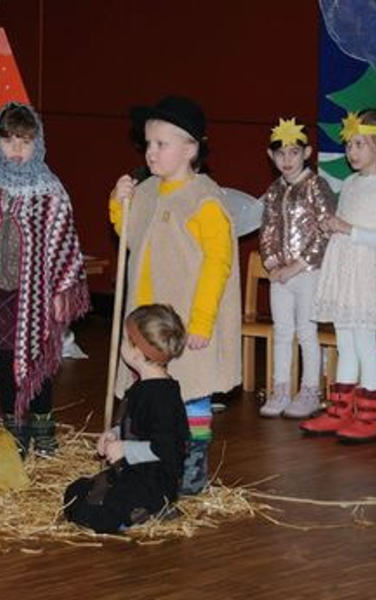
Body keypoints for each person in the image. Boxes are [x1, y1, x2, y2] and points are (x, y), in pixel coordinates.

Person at [109, 96, 240, 493]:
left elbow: (218, 264)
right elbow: (129, 236)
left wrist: (201, 323)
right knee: (152, 390)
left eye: (161, 144)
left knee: (190, 388)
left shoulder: (204, 200)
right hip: (146, 319)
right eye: (147, 144)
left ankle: (192, 461)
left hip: (184, 319)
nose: (151, 153)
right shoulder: (148, 191)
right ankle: (149, 455)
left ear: (190, 149)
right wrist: (120, 204)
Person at [0, 101, 89, 457]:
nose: (16, 149)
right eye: (9, 140)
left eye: (25, 141)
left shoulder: (50, 191)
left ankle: (42, 425)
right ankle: (12, 425)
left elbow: (64, 241)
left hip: (35, 296)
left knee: (36, 360)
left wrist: (63, 289)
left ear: (38, 143)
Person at [64, 304, 190, 534]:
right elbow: (136, 426)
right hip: (130, 474)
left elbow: (169, 449)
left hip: (153, 482)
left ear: (137, 352)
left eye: (125, 339)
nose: (120, 343)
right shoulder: (142, 388)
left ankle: (146, 511)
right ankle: (131, 510)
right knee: (76, 492)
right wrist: (114, 433)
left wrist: (126, 449)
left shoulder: (162, 398)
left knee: (95, 516)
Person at [301, 110, 376, 442]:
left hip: (367, 274)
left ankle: (370, 413)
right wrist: (331, 225)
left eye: (360, 144)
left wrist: (348, 229)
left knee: (366, 343)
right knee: (345, 341)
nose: (352, 152)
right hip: (346, 272)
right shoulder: (349, 183)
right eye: (349, 145)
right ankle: (340, 410)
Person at [258, 118, 335, 418]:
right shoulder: (274, 190)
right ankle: (280, 388)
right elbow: (267, 231)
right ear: (270, 156)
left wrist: (299, 265)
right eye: (280, 154)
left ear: (307, 152)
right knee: (282, 332)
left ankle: (309, 391)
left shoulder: (316, 185)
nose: (286, 160)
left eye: (293, 152)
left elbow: (325, 230)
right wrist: (273, 264)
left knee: (306, 331)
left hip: (308, 272)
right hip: (280, 275)